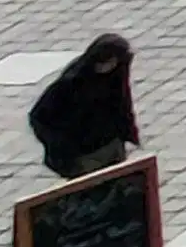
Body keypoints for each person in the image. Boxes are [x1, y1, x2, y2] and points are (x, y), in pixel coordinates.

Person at [27, 36, 141, 179]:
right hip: (83, 154)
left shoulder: (117, 74)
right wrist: (62, 146)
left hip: (111, 144)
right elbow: (39, 117)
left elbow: (123, 104)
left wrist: (130, 135)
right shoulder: (71, 83)